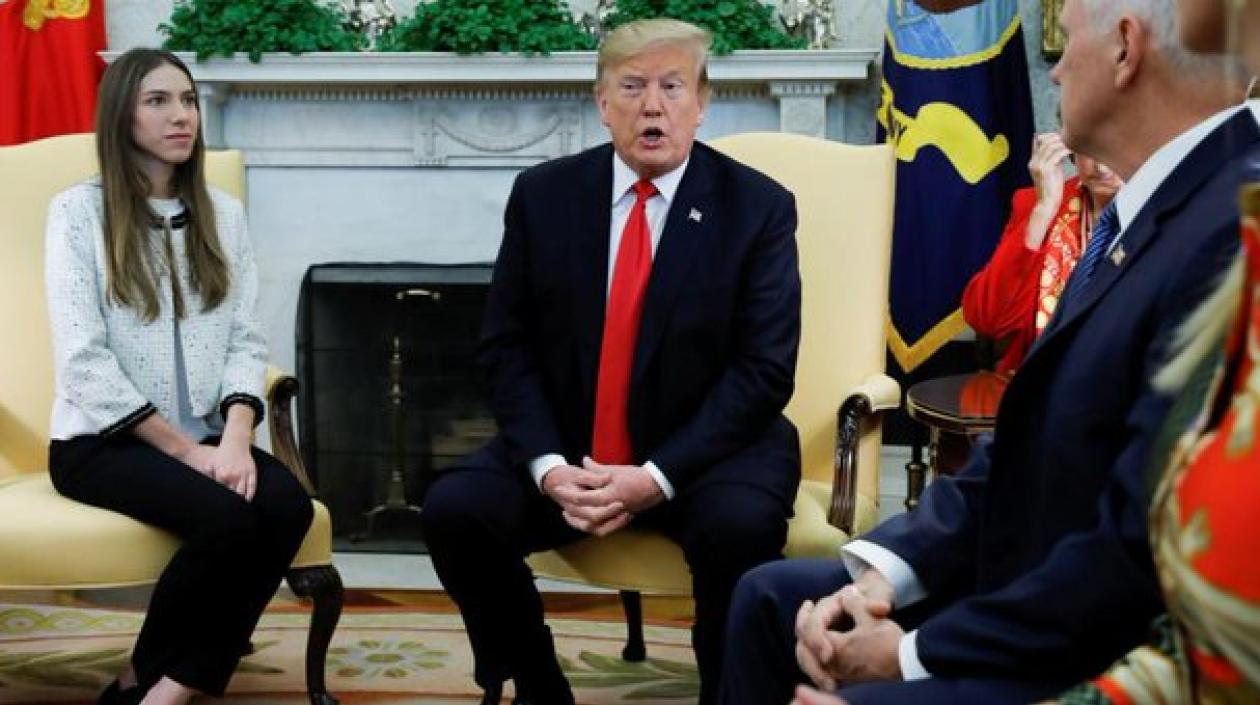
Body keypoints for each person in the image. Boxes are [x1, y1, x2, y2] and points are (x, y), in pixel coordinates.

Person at [719, 0, 1258, 703]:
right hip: (1023, 579)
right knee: (769, 599)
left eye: (1069, 43)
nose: (1055, 66)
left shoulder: (1232, 226)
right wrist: (887, 570)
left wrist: (909, 653)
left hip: (1094, 640)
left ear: (1127, 49)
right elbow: (1021, 442)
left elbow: (1132, 550)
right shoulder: (1159, 207)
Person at [420, 18, 801, 705]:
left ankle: (731, 693)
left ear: (702, 101)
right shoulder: (544, 196)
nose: (652, 106)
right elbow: (505, 346)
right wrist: (549, 466)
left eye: (671, 86)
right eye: (631, 87)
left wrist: (655, 476)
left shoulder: (759, 208)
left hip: (710, 451)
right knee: (454, 509)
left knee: (739, 528)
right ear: (602, 102)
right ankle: (537, 683)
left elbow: (764, 369)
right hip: (574, 447)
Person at [44, 48, 313, 705]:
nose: (180, 115)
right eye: (158, 101)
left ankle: (159, 682)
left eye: (188, 100)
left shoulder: (223, 214)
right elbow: (82, 358)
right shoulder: (77, 213)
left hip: (209, 436)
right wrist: (187, 450)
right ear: (121, 115)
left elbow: (248, 337)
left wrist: (234, 436)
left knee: (287, 503)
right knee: (228, 518)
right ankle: (162, 683)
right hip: (101, 445)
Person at [962, 133, 1123, 372]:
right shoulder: (1041, 204)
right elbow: (988, 318)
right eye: (1089, 147)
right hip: (1038, 385)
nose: (1100, 167)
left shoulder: (1167, 209)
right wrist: (1044, 209)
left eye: (1115, 147)